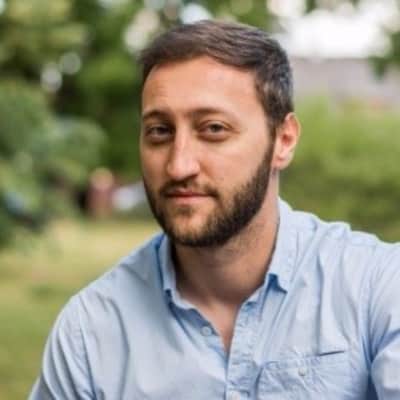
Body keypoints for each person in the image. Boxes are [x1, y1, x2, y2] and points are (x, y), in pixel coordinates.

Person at [29, 20, 400, 400]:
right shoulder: (89, 334)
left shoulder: (377, 287)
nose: (179, 166)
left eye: (214, 129)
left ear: (283, 140)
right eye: (160, 131)